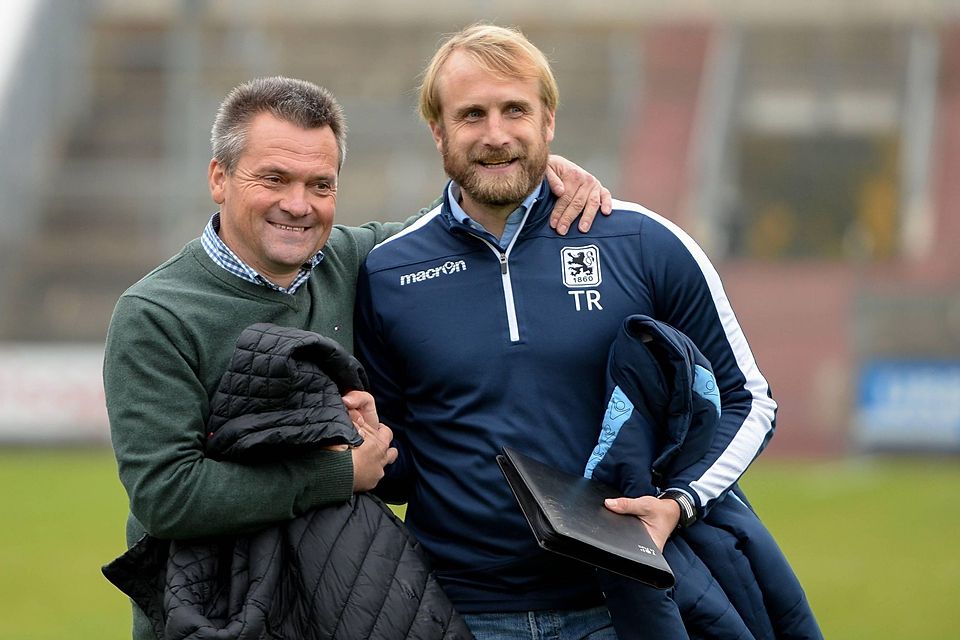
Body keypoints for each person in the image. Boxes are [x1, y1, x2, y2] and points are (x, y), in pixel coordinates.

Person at [102, 75, 611, 640]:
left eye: (320, 184)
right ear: (219, 178)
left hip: (334, 606)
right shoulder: (155, 313)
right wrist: (338, 473)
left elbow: (460, 220)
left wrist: (527, 167)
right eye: (274, 178)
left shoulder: (360, 260)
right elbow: (167, 495)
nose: (298, 205)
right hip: (210, 613)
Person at [353, 24, 809, 640]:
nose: (495, 134)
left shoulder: (644, 242)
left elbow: (747, 397)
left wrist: (677, 504)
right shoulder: (388, 271)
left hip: (619, 610)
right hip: (458, 614)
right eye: (471, 115)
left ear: (548, 121)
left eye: (515, 109)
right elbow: (406, 464)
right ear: (438, 131)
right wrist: (360, 445)